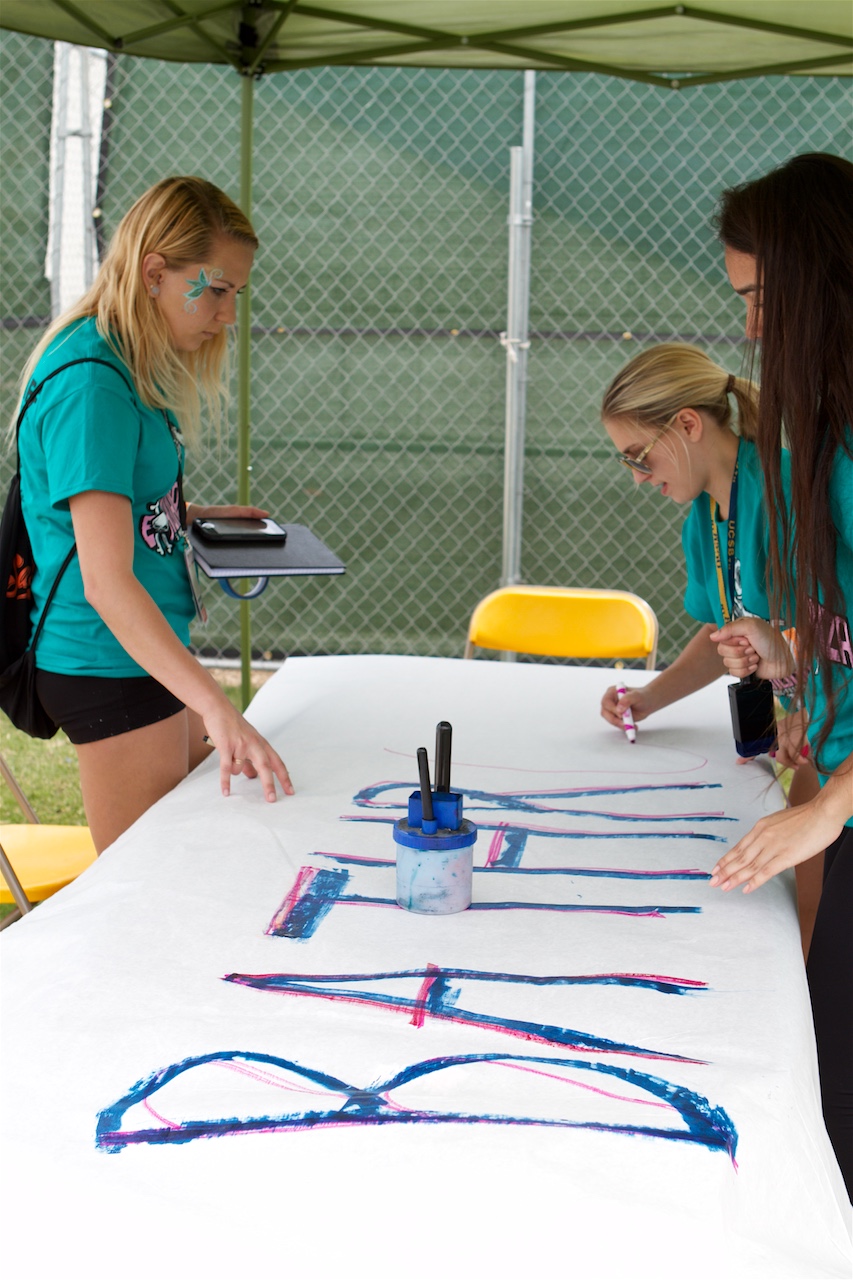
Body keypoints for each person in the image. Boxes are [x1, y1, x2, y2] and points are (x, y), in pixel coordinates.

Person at [15, 176, 294, 854]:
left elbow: (104, 505)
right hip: (104, 658)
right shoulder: (93, 383)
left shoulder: (122, 361)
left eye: (237, 293)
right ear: (154, 273)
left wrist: (190, 514)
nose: (228, 315)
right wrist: (217, 706)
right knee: (143, 889)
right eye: (216, 289)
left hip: (141, 651)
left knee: (197, 852)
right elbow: (106, 582)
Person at [707, 152, 853, 1199]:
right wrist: (794, 661)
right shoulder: (825, 433)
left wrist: (823, 810)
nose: (752, 329)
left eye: (761, 298)